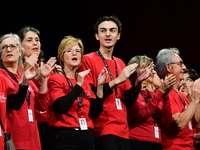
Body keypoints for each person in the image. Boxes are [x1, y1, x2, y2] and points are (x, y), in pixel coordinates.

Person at [79, 15, 141, 150]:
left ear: (118, 36)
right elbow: (92, 94)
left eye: (112, 30)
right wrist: (118, 80)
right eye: (103, 31)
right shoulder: (87, 60)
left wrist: (138, 82)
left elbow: (129, 100)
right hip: (102, 129)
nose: (108, 34)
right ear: (96, 36)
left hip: (123, 131)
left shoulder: (120, 62)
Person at [48, 35, 107, 150]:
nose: (74, 54)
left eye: (78, 51)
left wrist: (99, 86)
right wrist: (78, 85)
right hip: (66, 136)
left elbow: (96, 111)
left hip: (87, 135)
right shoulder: (56, 79)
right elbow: (61, 107)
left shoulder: (85, 82)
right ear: (61, 56)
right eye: (69, 51)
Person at [0, 33, 53, 150]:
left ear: (20, 51)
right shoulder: (1, 76)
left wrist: (44, 80)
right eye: (4, 47)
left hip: (33, 140)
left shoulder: (25, 76)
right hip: (15, 140)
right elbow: (14, 103)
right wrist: (23, 82)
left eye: (13, 46)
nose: (8, 49)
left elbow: (42, 106)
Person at [17, 26, 58, 150]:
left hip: (50, 124)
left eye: (37, 40)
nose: (35, 43)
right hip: (27, 125)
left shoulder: (47, 68)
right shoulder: (16, 69)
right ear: (20, 46)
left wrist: (57, 77)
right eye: (29, 40)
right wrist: (35, 78)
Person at [127, 55, 176, 150]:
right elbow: (142, 114)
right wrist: (161, 90)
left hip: (156, 141)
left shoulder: (153, 95)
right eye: (151, 69)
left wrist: (166, 96)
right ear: (140, 70)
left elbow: (166, 121)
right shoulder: (131, 93)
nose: (154, 72)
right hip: (137, 141)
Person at [155, 48, 200, 150]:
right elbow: (180, 124)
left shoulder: (182, 95)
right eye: (180, 64)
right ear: (169, 68)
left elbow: (196, 123)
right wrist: (195, 100)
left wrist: (198, 98)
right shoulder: (165, 93)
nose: (184, 67)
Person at [180, 69, 200, 150]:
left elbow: (196, 124)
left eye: (188, 80)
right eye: (182, 80)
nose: (184, 82)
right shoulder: (177, 98)